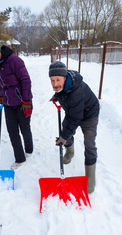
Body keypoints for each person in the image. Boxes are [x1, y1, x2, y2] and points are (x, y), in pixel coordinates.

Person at [0, 34, 33, 170]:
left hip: (22, 101)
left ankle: (29, 149)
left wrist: (27, 100)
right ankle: (20, 158)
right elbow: (1, 84)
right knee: (12, 131)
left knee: (24, 128)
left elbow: (26, 81)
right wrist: (1, 97)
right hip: (8, 103)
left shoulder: (14, 61)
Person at [49, 61, 100, 193]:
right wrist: (56, 96)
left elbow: (75, 118)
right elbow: (62, 92)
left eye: (58, 80)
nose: (55, 84)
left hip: (89, 114)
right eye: (52, 80)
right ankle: (70, 152)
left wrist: (63, 136)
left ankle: (90, 180)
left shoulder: (76, 91)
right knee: (66, 129)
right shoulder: (64, 85)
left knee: (89, 142)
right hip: (75, 112)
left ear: (65, 78)